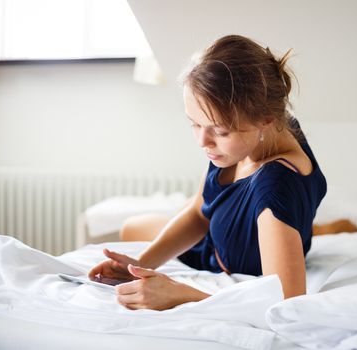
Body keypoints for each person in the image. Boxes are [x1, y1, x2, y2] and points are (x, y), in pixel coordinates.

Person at [88, 34, 327, 311]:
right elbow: (198, 212)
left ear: (265, 120)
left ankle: (312, 230)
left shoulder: (275, 187)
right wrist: (140, 264)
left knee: (133, 228)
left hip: (222, 255)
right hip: (217, 237)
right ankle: (315, 229)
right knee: (131, 226)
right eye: (195, 124)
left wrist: (180, 294)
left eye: (220, 130)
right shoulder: (253, 137)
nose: (203, 142)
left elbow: (287, 304)